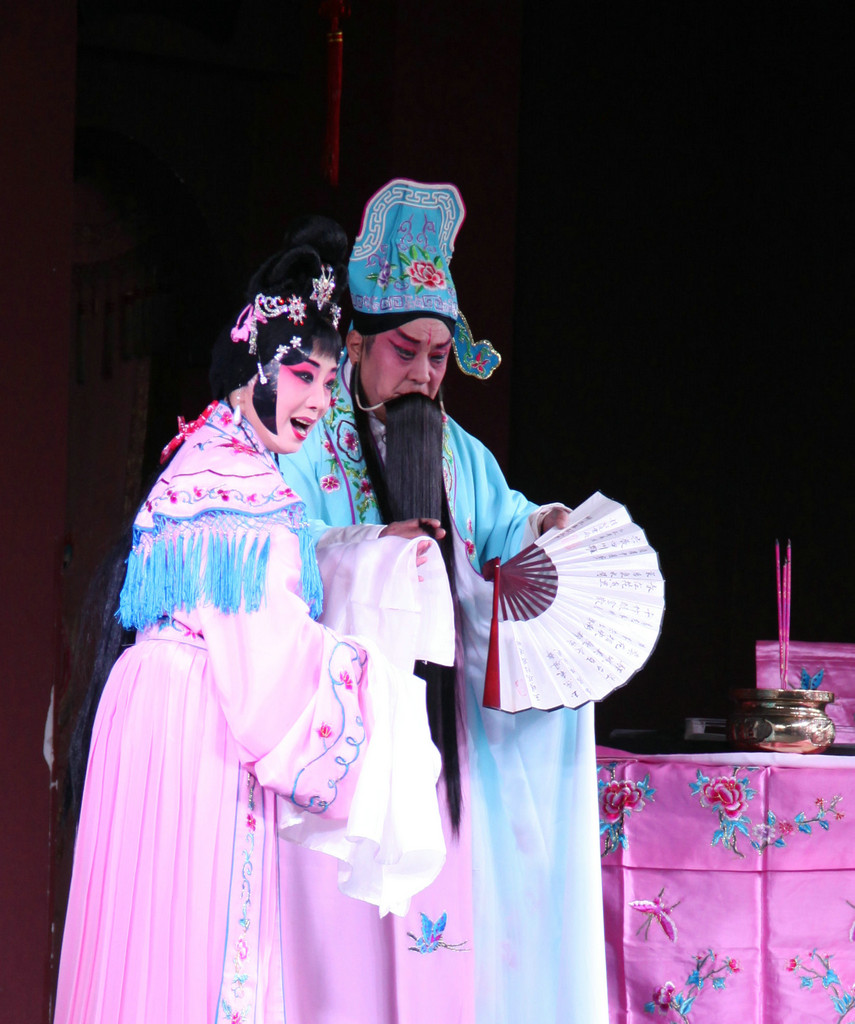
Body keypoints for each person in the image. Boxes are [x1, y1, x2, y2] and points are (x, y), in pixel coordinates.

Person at [55, 217, 456, 1023]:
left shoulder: (198, 456)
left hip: (150, 720)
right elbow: (271, 683)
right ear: (253, 368)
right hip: (197, 733)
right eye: (302, 375)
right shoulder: (247, 494)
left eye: (327, 381)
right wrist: (378, 686)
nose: (318, 401)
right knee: (201, 954)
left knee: (145, 952)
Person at [278, 181, 609, 1022]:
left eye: (437, 356)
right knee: (339, 954)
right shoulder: (308, 435)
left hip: (442, 731)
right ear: (356, 343)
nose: (424, 373)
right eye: (406, 351)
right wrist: (371, 553)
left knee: (442, 939)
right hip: (342, 730)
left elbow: (502, 536)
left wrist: (542, 530)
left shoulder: (461, 453)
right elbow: (280, 552)